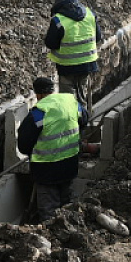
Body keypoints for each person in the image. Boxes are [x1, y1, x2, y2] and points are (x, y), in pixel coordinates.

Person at [17, 76, 92, 222]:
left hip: (46, 170)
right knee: (68, 206)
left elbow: (24, 146)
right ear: (53, 90)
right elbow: (84, 119)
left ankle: (52, 237)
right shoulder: (70, 102)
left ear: (37, 94)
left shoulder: (39, 113)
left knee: (49, 212)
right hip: (69, 165)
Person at [44, 0, 101, 114]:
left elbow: (50, 43)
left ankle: (71, 127)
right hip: (87, 64)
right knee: (82, 96)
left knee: (68, 101)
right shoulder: (89, 14)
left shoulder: (58, 21)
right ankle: (83, 122)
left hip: (66, 67)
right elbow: (98, 37)